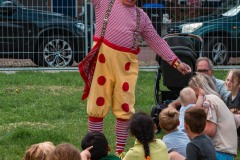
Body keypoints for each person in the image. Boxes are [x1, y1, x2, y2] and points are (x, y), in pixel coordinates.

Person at [78, 0, 192, 157]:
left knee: (124, 107)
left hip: (125, 68)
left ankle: (119, 152)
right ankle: (94, 149)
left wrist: (176, 62)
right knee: (97, 104)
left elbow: (156, 40)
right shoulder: (104, 3)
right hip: (102, 62)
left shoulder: (141, 17)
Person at [188, 73, 237, 160]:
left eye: (192, 92)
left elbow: (210, 130)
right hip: (226, 153)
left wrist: (189, 132)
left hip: (219, 153)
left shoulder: (209, 100)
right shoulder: (215, 99)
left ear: (198, 90)